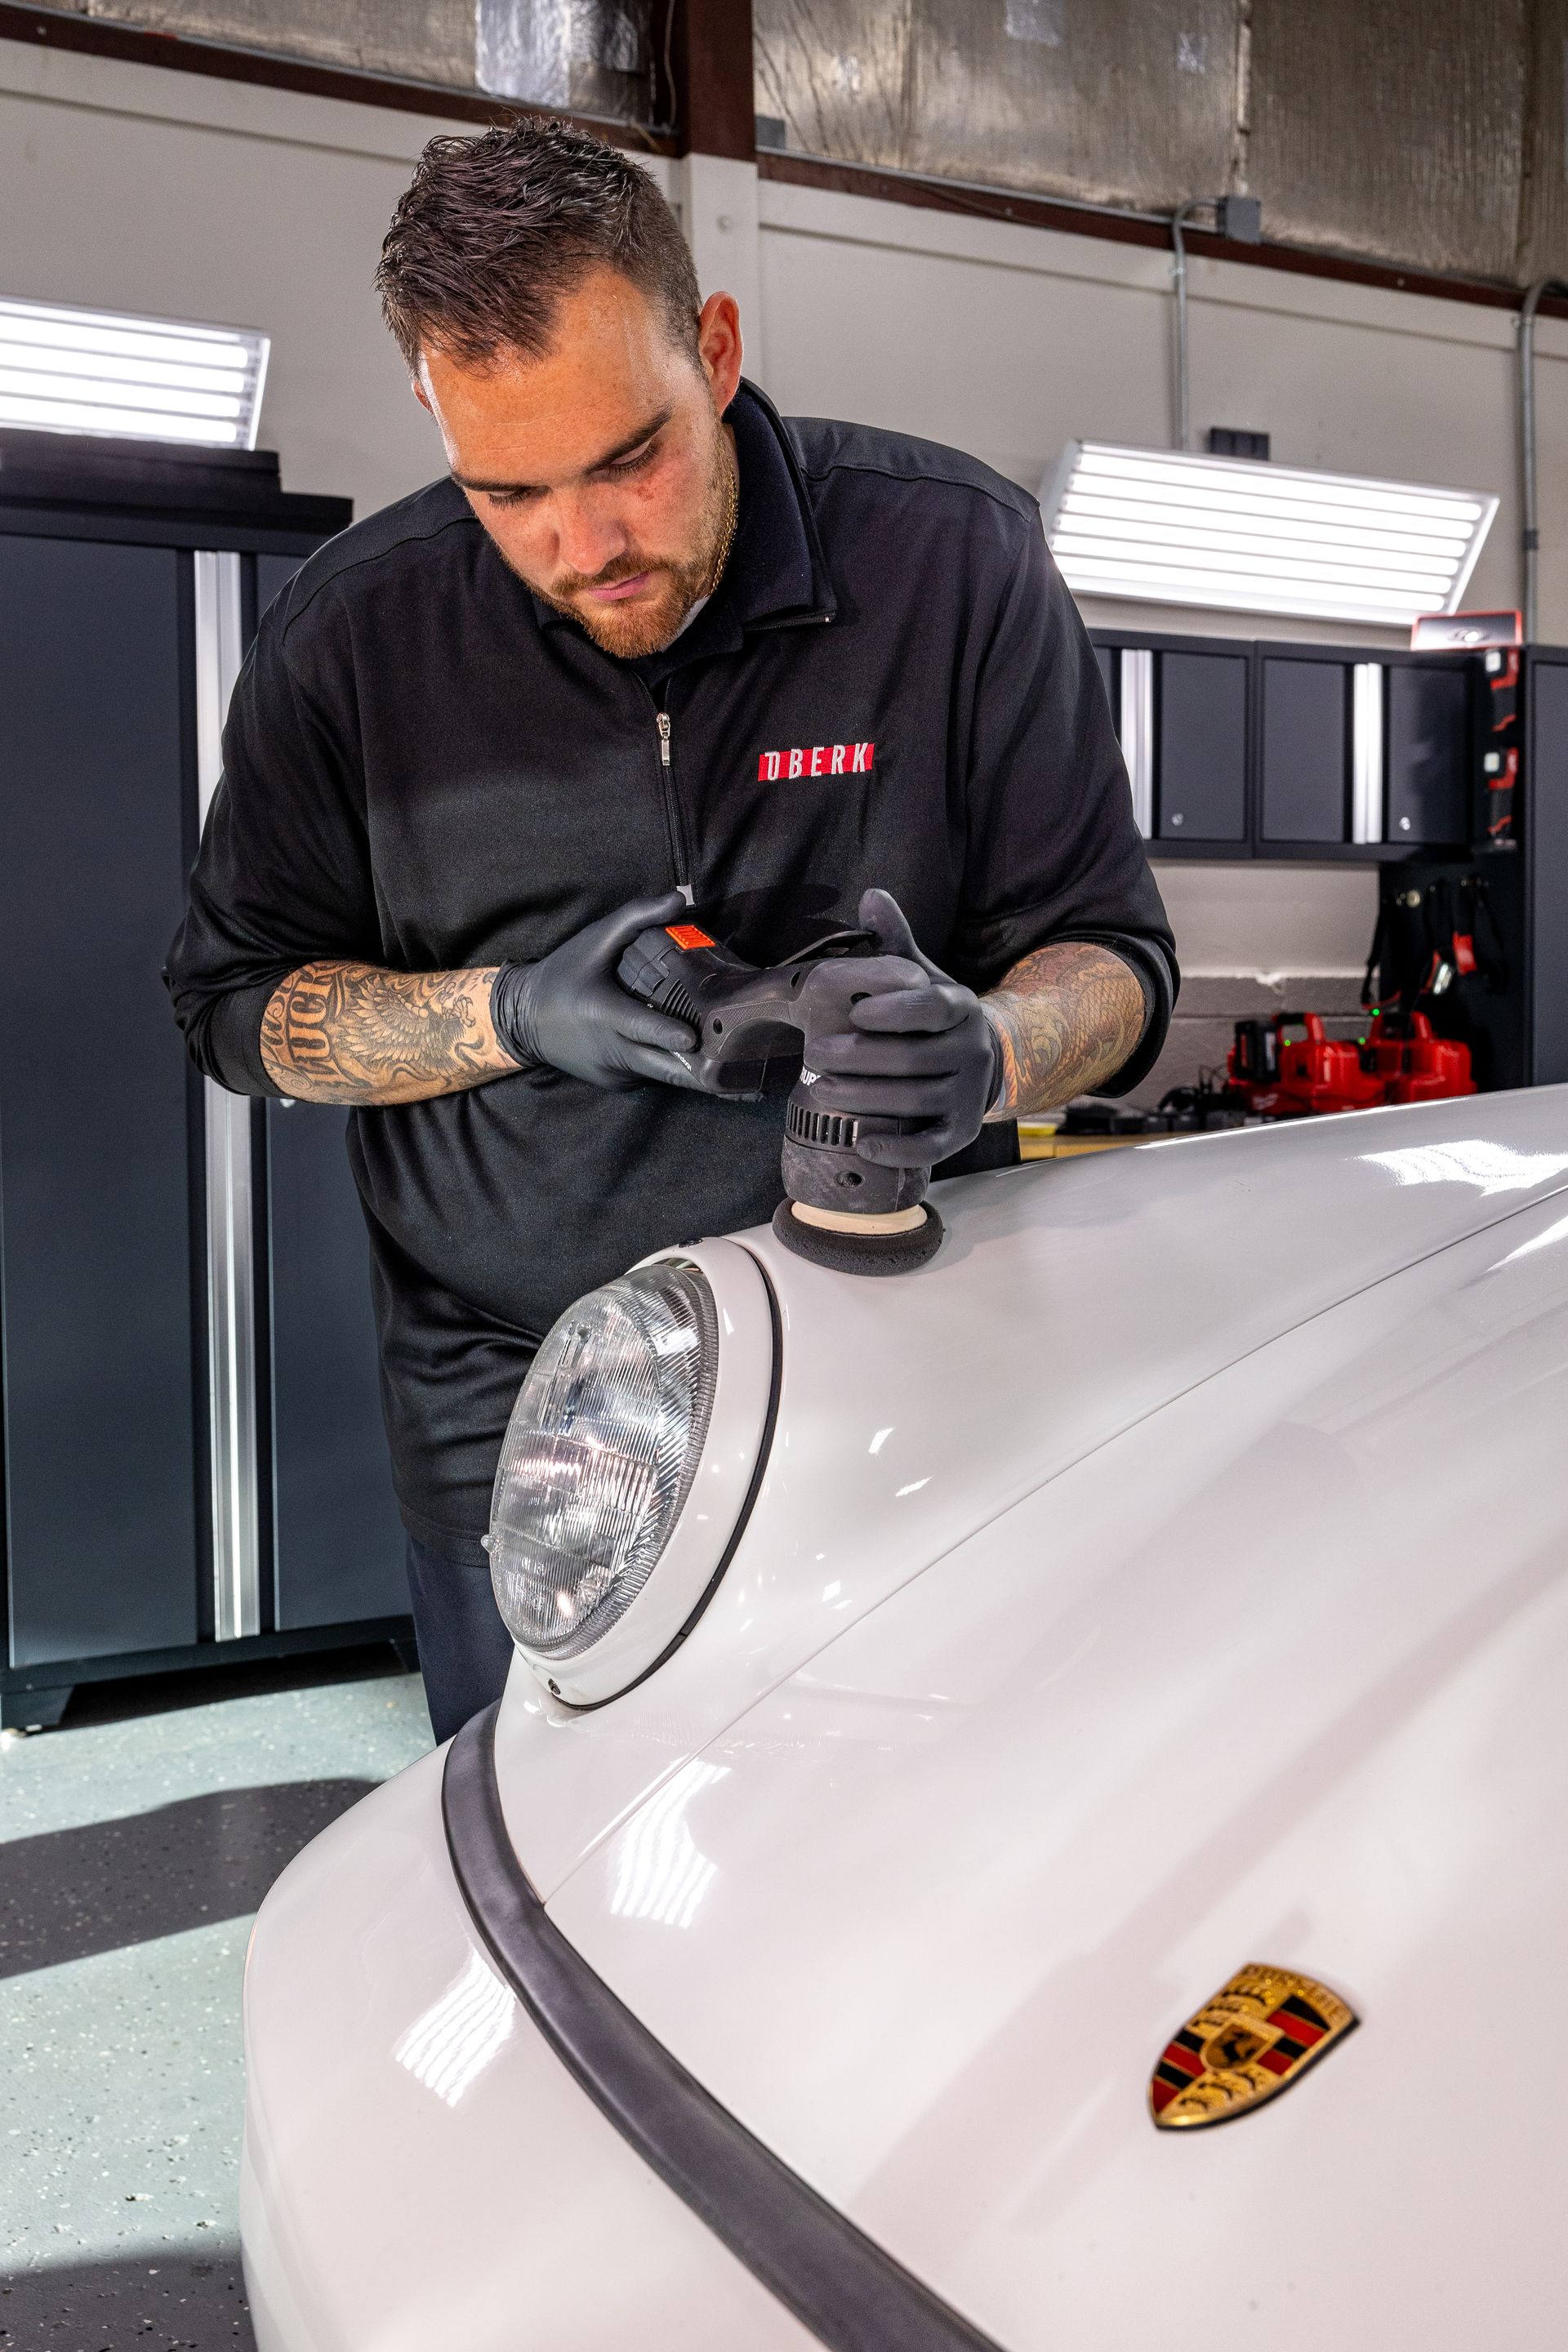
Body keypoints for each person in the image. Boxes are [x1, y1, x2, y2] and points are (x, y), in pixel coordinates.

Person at [166, 118, 1176, 1743]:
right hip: (518, 1408)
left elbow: (1114, 958)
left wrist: (991, 1052)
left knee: (890, 1845)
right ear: (435, 412)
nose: (586, 547)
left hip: (900, 1365)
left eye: (629, 457)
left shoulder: (950, 557)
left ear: (712, 351)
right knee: (550, 1898)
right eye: (510, 491)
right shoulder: (353, 636)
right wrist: (507, 1015)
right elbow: (232, 1005)